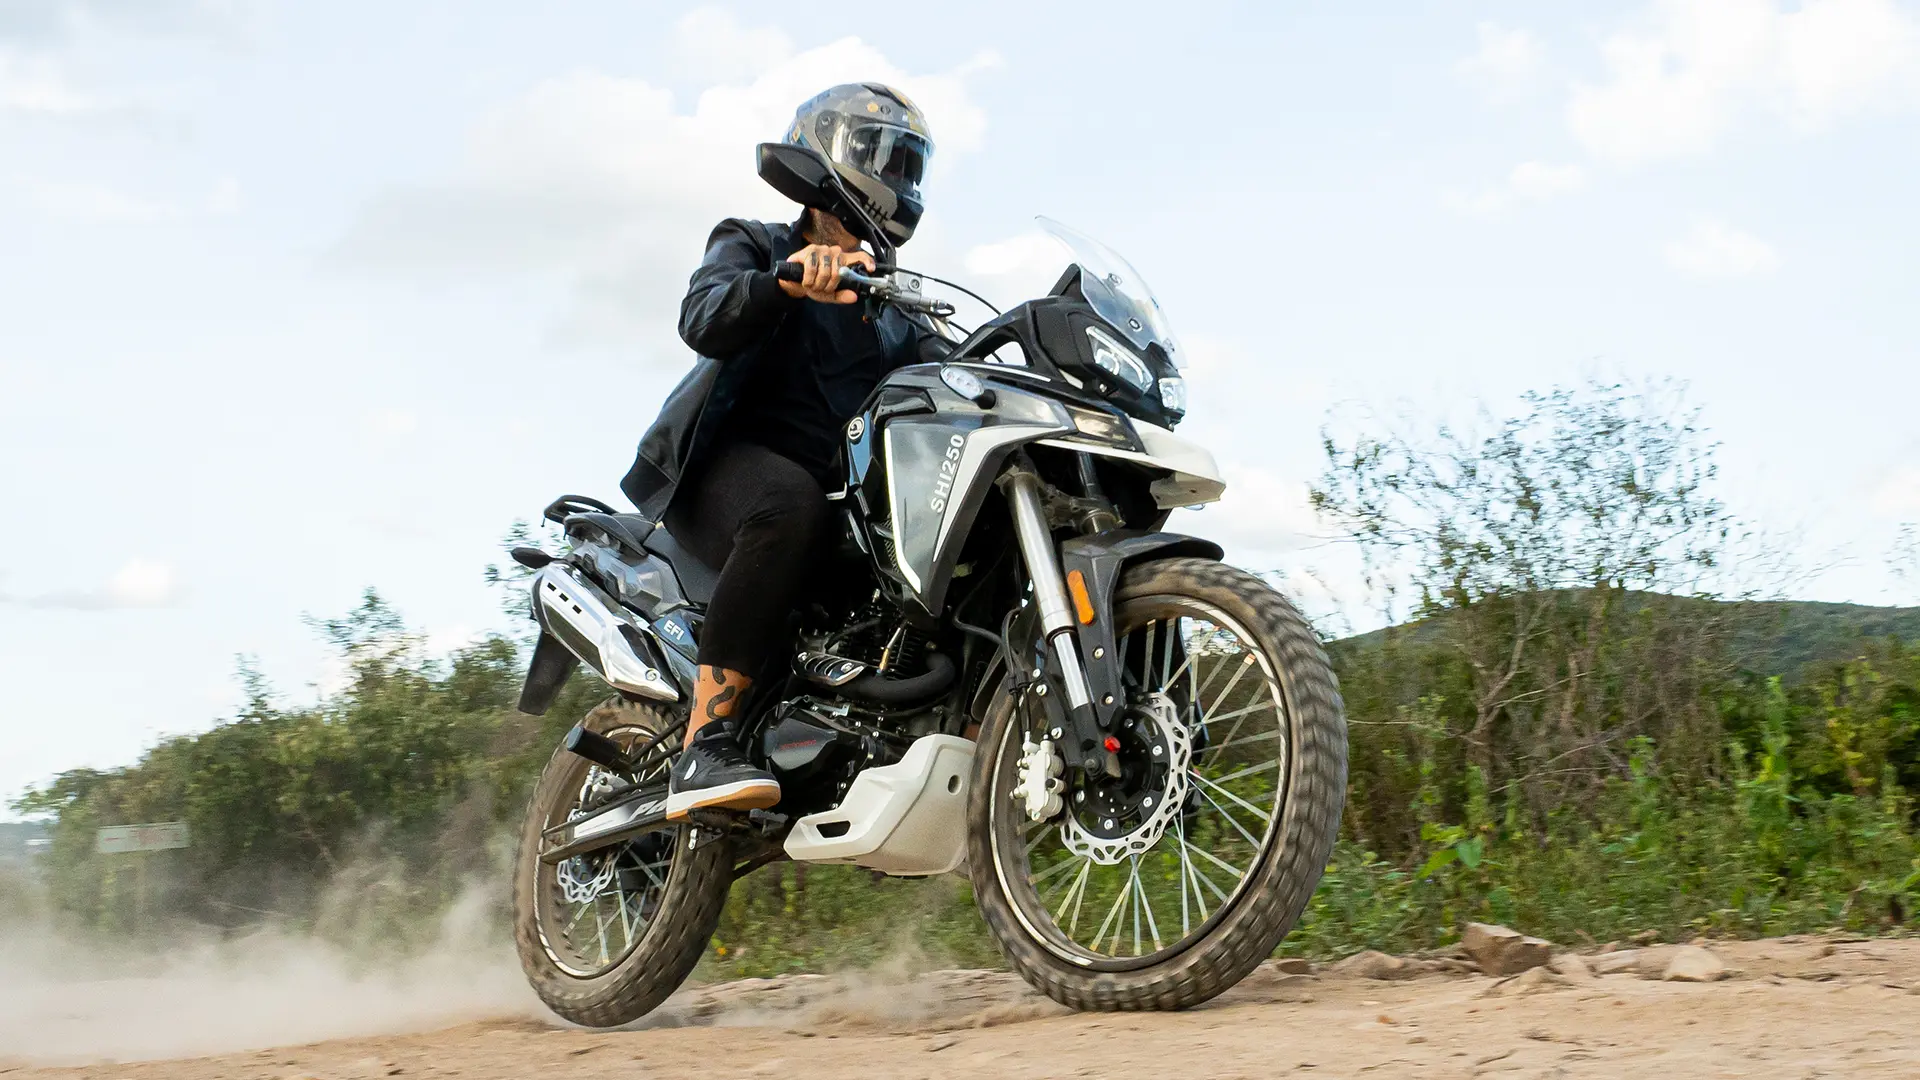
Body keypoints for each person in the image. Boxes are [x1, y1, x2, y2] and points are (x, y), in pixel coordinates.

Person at [619, 83, 948, 820]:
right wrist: (784, 284)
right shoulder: (757, 243)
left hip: (832, 500)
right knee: (788, 502)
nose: (897, 178)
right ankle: (705, 742)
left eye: (909, 164)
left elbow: (948, 378)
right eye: (882, 156)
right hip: (723, 473)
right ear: (828, 156)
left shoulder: (894, 307)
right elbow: (704, 316)